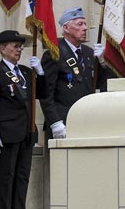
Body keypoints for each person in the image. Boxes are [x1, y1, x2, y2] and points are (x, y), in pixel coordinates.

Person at [0, 30, 38, 209]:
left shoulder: (26, 72)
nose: (19, 49)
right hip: (7, 132)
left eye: (20, 46)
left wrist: (39, 73)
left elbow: (43, 93)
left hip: (26, 132)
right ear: (2, 48)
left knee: (22, 176)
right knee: (7, 175)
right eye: (15, 46)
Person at [42, 8, 102, 138]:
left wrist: (103, 62)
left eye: (85, 24)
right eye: (79, 24)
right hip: (64, 121)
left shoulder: (89, 53)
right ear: (66, 28)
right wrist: (55, 122)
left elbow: (99, 85)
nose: (85, 28)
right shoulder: (54, 53)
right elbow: (46, 93)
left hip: (86, 119)